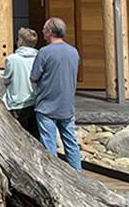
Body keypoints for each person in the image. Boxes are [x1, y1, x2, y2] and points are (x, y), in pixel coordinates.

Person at [30, 17, 82, 171]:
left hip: (47, 105)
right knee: (71, 142)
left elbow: (34, 77)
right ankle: (77, 174)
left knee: (49, 144)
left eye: (44, 29)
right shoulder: (74, 52)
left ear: (50, 32)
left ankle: (53, 175)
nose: (42, 32)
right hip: (67, 105)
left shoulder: (44, 52)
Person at [2, 27, 40, 140]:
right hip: (34, 102)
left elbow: (6, 79)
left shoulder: (12, 59)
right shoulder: (39, 57)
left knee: (17, 137)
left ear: (21, 41)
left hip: (16, 103)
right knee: (34, 138)